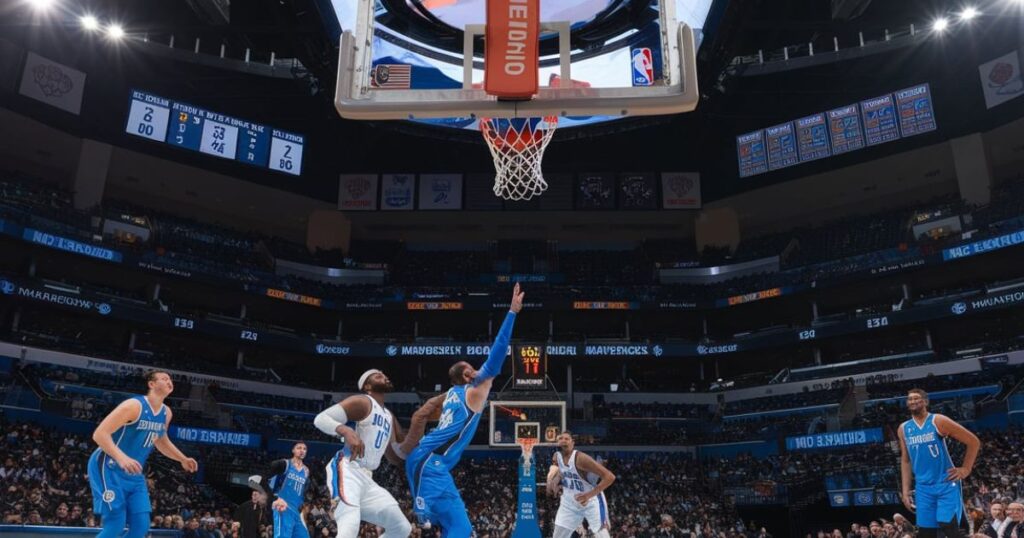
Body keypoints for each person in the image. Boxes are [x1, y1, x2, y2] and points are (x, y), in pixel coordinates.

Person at [402, 283, 525, 537]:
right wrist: (512, 313)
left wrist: (407, 443)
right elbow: (498, 352)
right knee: (444, 528)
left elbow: (424, 413)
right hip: (430, 462)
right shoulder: (474, 390)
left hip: (425, 461)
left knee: (451, 527)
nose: (478, 369)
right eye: (472, 367)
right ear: (467, 374)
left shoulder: (449, 395)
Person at [88, 370, 198, 538]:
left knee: (141, 526)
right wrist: (121, 457)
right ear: (151, 384)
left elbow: (160, 440)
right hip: (108, 466)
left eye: (170, 379)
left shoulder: (166, 412)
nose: (169, 381)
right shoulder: (134, 406)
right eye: (164, 378)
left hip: (134, 473)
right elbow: (100, 434)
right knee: (116, 524)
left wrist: (182, 458)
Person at [313, 369, 412, 537]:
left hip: (368, 478)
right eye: (378, 375)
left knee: (402, 527)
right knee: (349, 524)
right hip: (348, 468)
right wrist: (346, 431)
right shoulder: (363, 401)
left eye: (385, 374)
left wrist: (422, 424)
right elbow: (320, 419)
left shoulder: (389, 416)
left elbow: (394, 456)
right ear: (367, 386)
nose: (384, 376)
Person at [898, 388, 981, 538]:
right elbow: (905, 460)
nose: (913, 401)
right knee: (925, 533)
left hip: (945, 482)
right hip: (923, 487)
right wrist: (905, 491)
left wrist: (966, 469)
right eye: (910, 399)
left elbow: (973, 442)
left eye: (917, 398)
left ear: (925, 401)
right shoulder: (903, 428)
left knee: (949, 527)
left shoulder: (938, 420)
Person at [546, 431, 616, 538]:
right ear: (557, 442)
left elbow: (610, 477)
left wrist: (588, 495)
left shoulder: (580, 458)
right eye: (561, 438)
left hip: (590, 501)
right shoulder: (557, 456)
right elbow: (561, 471)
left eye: (566, 439)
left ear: (572, 443)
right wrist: (554, 482)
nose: (563, 440)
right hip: (569, 503)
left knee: (602, 534)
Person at [250, 442, 310, 538]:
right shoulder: (285, 464)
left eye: (304, 449)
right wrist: (275, 498)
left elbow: (303, 492)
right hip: (283, 506)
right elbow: (264, 476)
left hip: (296, 511)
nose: (302, 450)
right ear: (293, 450)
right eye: (299, 448)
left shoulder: (306, 471)